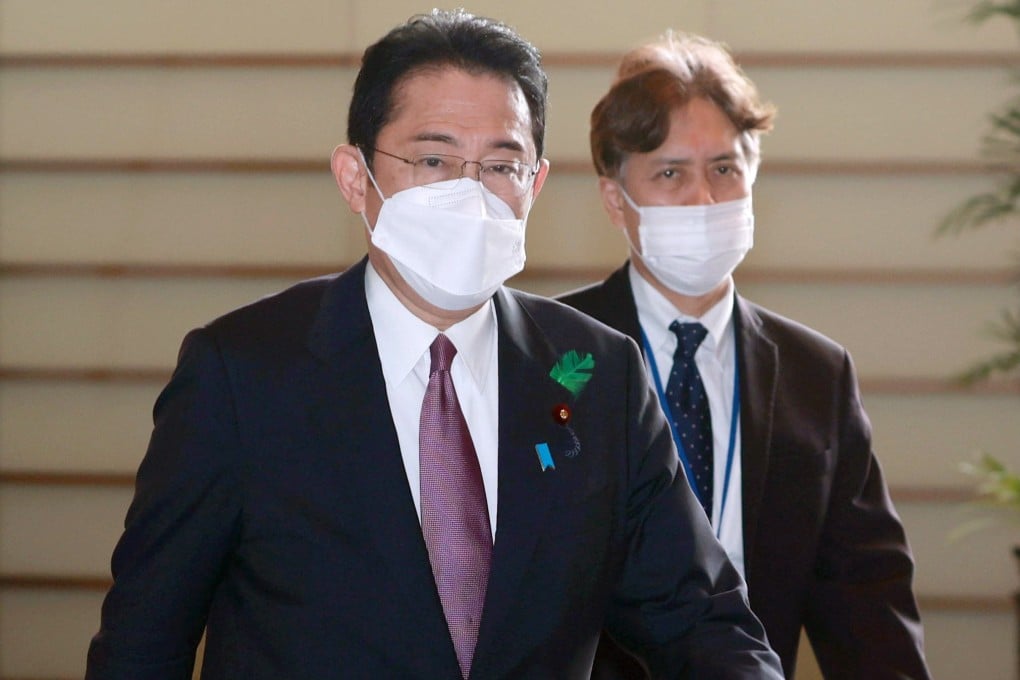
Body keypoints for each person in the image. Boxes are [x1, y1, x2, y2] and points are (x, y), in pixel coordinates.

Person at [85, 11, 785, 679]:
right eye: (434, 161)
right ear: (355, 177)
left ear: (535, 185)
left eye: (501, 167)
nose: (471, 195)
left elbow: (700, 620)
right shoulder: (241, 374)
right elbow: (145, 644)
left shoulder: (600, 375)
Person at [557, 32, 931, 679]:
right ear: (616, 199)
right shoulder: (553, 352)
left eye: (724, 169)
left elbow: (868, 603)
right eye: (670, 173)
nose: (703, 199)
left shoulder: (817, 376)